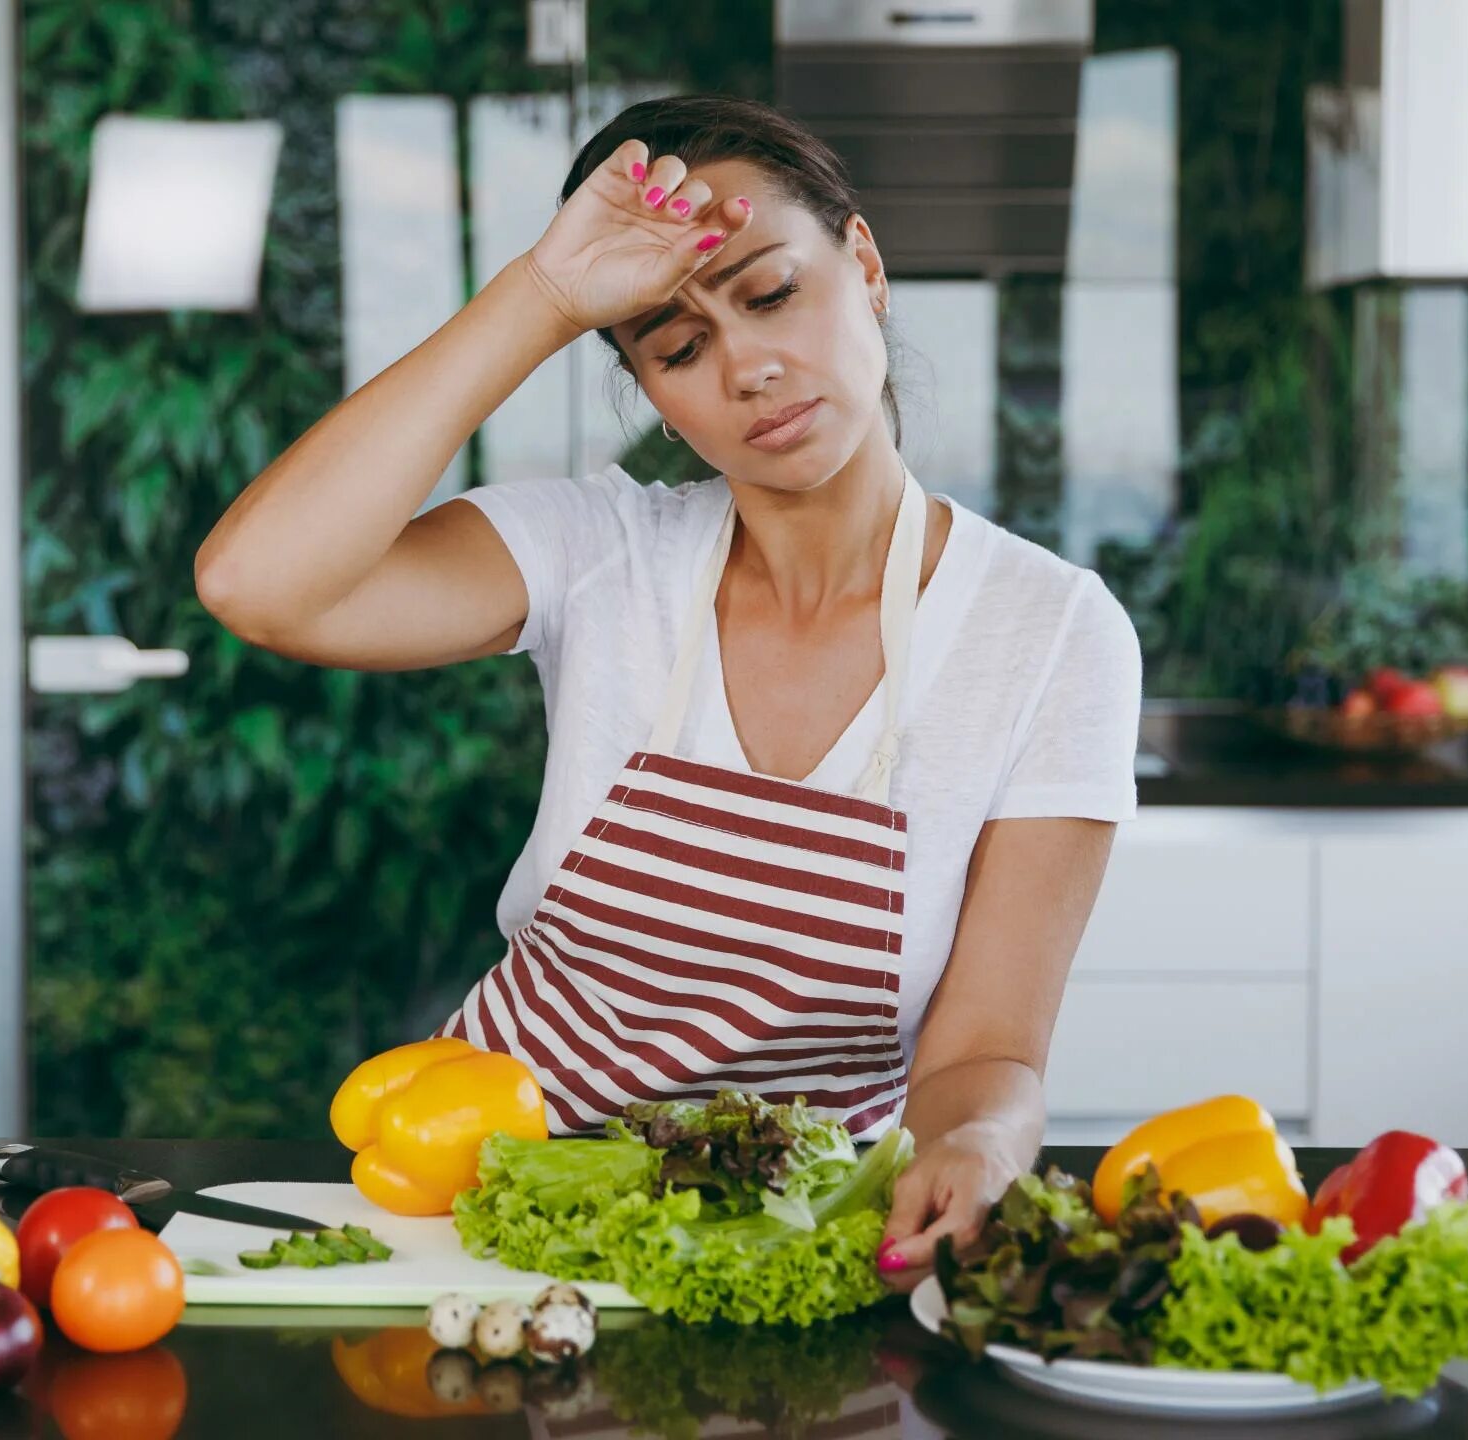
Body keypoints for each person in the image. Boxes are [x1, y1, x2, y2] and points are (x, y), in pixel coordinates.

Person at [195, 95, 1141, 1281]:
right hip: (482, 1206)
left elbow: (986, 1048)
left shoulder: (1050, 632)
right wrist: (539, 300)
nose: (747, 367)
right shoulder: (600, 551)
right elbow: (256, 584)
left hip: (794, 1245)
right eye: (677, 349)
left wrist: (983, 1146)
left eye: (771, 293)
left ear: (863, 264)